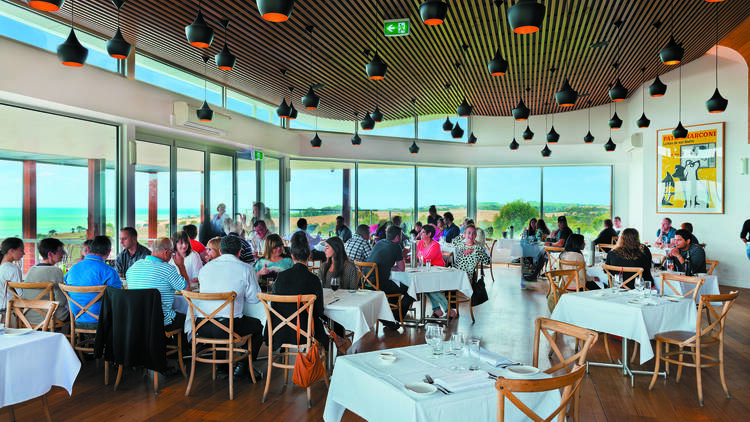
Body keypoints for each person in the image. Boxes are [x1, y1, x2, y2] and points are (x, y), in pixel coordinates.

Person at [197, 235, 264, 379]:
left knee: (221, 320)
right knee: (258, 326)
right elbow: (254, 299)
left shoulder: (205, 269)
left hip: (202, 326)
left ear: (220, 251)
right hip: (228, 327)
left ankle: (221, 368)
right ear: (239, 252)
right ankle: (243, 366)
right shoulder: (246, 268)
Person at [267, 231, 327, 348]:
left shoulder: (281, 277)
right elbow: (319, 311)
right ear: (309, 255)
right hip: (306, 333)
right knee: (324, 332)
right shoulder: (314, 279)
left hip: (280, 332)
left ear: (292, 256)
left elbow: (274, 305)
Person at [126, 238, 188, 331]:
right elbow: (187, 289)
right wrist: (181, 266)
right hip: (161, 321)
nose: (172, 256)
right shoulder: (168, 269)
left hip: (136, 320)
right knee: (189, 320)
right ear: (166, 252)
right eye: (172, 253)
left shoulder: (133, 267)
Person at [63, 236, 122, 328]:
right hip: (102, 322)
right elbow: (117, 299)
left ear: (89, 249)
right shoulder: (109, 272)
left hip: (76, 319)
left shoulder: (72, 269)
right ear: (109, 252)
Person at [366, 225, 414, 329]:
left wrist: (389, 267)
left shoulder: (379, 243)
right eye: (401, 235)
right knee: (411, 290)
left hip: (366, 283)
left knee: (396, 285)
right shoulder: (396, 246)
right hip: (380, 284)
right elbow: (402, 268)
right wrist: (393, 267)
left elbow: (380, 263)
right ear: (397, 237)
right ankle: (395, 318)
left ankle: (388, 318)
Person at [23, 238, 69, 325]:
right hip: (50, 317)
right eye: (60, 250)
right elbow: (61, 301)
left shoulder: (31, 270)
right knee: (77, 315)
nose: (63, 253)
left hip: (28, 317)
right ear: (50, 254)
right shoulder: (56, 271)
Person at [416, 225, 450, 318]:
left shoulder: (435, 245)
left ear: (429, 234)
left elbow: (427, 259)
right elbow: (416, 256)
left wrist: (416, 258)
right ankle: (437, 310)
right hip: (426, 271)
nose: (420, 234)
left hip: (438, 272)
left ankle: (448, 309)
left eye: (423, 232)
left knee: (427, 286)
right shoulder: (420, 243)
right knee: (424, 285)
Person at [0, 237, 25, 313]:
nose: (24, 253)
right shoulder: (13, 269)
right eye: (21, 250)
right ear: (11, 251)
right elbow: (20, 295)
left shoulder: (2, 267)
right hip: (10, 311)